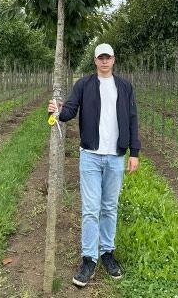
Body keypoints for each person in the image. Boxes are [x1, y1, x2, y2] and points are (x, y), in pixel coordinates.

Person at [47, 43, 140, 287]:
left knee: (109, 207)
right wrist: (57, 110)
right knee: (90, 209)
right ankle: (89, 258)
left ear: (114, 60)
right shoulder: (84, 85)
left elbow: (132, 119)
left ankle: (107, 252)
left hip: (115, 157)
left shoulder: (125, 87)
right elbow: (69, 111)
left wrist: (134, 152)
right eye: (101, 57)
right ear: (95, 61)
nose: (104, 61)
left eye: (108, 57)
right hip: (90, 156)